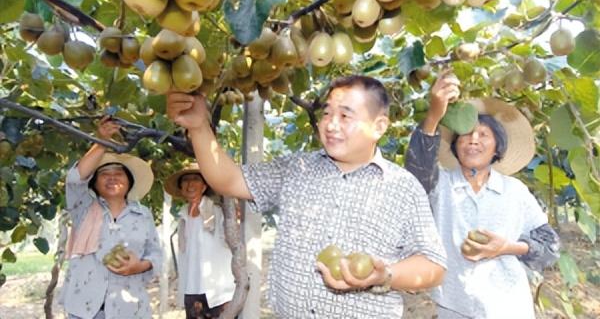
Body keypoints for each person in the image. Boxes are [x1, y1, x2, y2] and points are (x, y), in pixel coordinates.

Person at [167, 75, 447, 318]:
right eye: (326, 114)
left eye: (345, 116)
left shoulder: (402, 187)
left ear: (379, 126)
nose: (330, 125)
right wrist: (199, 128)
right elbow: (228, 180)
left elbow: (433, 265)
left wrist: (384, 275)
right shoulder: (297, 168)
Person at [405, 73, 560, 318]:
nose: (473, 139)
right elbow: (416, 170)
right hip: (454, 306)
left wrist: (506, 247)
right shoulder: (439, 185)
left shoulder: (514, 191)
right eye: (465, 134)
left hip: (509, 306)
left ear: (498, 147)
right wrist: (434, 115)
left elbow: (550, 246)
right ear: (455, 145)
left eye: (484, 135)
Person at [59, 117, 162, 319]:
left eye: (119, 173)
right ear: (94, 183)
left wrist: (139, 266)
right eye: (105, 174)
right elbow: (73, 179)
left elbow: (156, 254)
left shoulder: (143, 214)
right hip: (84, 308)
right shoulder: (83, 209)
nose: (112, 177)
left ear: (129, 182)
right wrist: (100, 141)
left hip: (129, 307)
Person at [164, 164, 236, 319]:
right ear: (181, 187)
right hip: (192, 289)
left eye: (195, 179)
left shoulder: (217, 212)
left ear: (204, 186)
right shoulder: (183, 216)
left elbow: (232, 240)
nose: (190, 184)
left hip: (219, 292)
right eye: (185, 180)